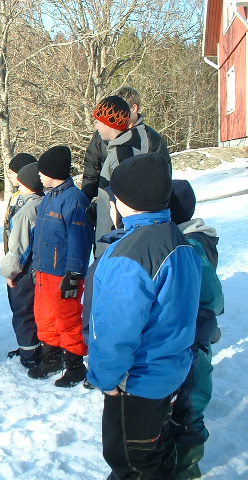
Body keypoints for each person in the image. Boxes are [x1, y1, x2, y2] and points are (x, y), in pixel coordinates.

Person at [87, 154, 201, 479]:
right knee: (156, 455)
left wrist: (107, 380)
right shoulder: (179, 239)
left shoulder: (128, 256)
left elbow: (114, 332)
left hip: (136, 384)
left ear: (125, 202)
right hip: (172, 373)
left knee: (131, 464)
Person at [167, 180, 224, 480]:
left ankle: (186, 470)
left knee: (188, 408)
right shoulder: (192, 238)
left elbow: (212, 297)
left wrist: (204, 324)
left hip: (193, 344)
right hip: (188, 339)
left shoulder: (190, 245)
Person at [27, 146, 93, 387]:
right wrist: (35, 265)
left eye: (42, 171)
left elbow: (79, 240)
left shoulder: (74, 200)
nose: (39, 175)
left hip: (63, 273)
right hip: (44, 271)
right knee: (44, 317)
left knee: (68, 319)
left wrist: (74, 274)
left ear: (53, 172)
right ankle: (51, 359)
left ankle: (75, 366)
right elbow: (39, 237)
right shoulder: (49, 197)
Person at [87, 93, 172, 257]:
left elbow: (127, 202)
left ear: (109, 123)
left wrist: (116, 237)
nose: (96, 127)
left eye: (98, 122)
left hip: (116, 244)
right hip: (113, 238)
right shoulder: (118, 149)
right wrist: (99, 208)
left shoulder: (122, 155)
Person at [81, 86, 170, 201]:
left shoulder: (151, 139)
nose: (116, 113)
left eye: (122, 108)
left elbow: (163, 176)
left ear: (134, 108)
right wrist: (87, 201)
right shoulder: (102, 134)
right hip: (105, 200)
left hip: (137, 203)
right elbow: (91, 168)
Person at [0, 160, 44, 369]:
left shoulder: (27, 211)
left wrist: (10, 272)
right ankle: (35, 347)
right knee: (33, 309)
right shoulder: (43, 202)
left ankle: (29, 353)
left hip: (24, 270)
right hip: (38, 268)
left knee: (22, 311)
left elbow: (18, 246)